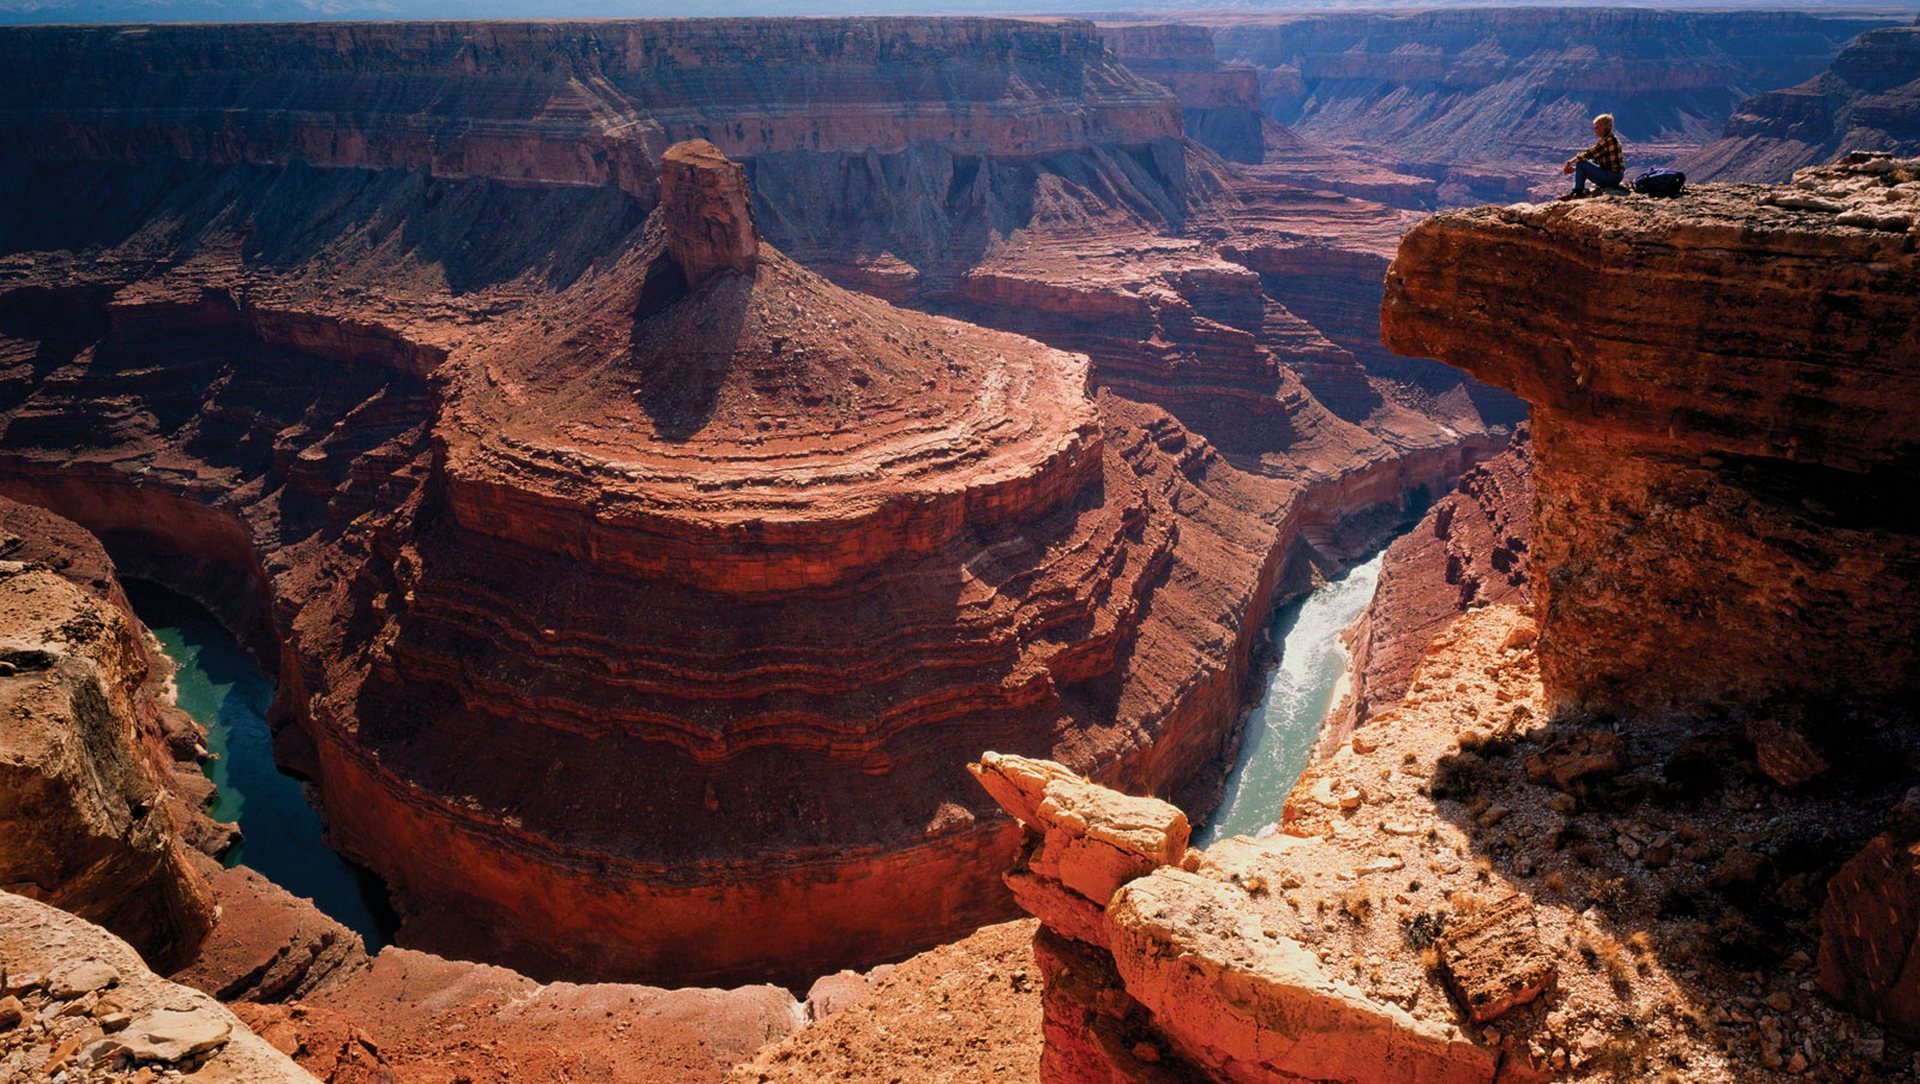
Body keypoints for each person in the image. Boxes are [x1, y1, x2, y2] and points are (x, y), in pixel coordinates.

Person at [1560, 114, 1625, 199]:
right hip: (1615, 176)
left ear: (1603, 128)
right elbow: (1594, 161)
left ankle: (1578, 192)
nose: (1595, 130)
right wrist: (1577, 169)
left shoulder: (1607, 141)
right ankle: (1577, 191)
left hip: (1611, 177)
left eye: (1596, 127)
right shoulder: (1611, 139)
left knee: (1581, 163)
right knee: (1582, 164)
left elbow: (1588, 154)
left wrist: (1569, 162)